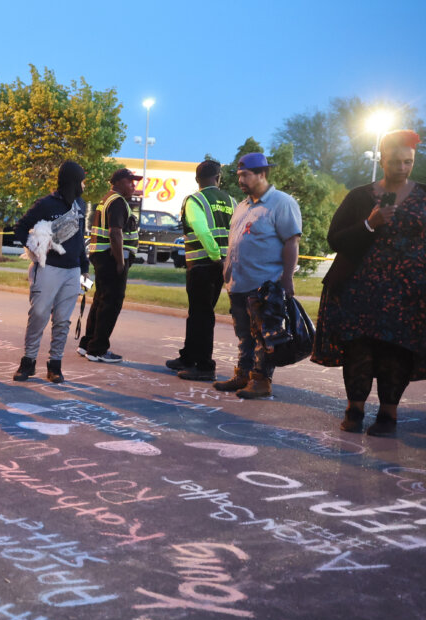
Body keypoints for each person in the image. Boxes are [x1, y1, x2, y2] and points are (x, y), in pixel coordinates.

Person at [312, 129, 423, 437]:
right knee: (359, 349)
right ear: (382, 159)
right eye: (395, 162)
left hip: (407, 294)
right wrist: (369, 224)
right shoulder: (360, 196)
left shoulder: (424, 196)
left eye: (408, 162)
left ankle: (388, 416)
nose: (402, 168)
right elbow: (335, 239)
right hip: (359, 289)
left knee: (396, 352)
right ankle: (355, 409)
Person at [213, 152, 302, 400]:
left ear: (262, 174)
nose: (240, 180)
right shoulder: (243, 205)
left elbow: (291, 241)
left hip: (264, 284)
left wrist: (287, 278)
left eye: (245, 175)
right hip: (238, 283)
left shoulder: (281, 203)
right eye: (239, 175)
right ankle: (243, 374)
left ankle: (261, 380)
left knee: (265, 337)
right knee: (244, 335)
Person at [11, 161, 89, 383]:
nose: (83, 185)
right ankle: (28, 362)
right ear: (71, 181)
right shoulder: (46, 204)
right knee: (38, 315)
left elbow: (80, 239)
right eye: (81, 180)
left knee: (63, 320)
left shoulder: (80, 205)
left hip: (73, 270)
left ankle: (55, 365)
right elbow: (20, 227)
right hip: (48, 269)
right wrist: (34, 246)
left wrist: (85, 270)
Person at [165, 160, 235, 381]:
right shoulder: (231, 201)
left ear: (197, 180)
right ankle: (188, 357)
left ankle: (204, 366)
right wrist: (224, 260)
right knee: (198, 313)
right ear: (218, 177)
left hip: (203, 264)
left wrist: (215, 256)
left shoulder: (195, 200)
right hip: (223, 266)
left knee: (201, 315)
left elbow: (203, 231)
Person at [78, 168, 141, 363]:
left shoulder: (106, 199)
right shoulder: (118, 202)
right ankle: (98, 349)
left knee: (100, 300)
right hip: (112, 258)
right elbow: (116, 233)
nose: (133, 185)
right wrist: (121, 262)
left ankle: (87, 343)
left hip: (101, 255)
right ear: (120, 182)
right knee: (111, 303)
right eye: (130, 181)